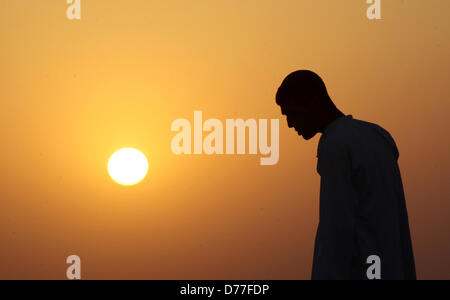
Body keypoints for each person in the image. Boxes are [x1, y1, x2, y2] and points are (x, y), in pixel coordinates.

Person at [276, 70, 416, 280]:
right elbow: (399, 218)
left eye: (292, 114)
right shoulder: (378, 136)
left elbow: (336, 230)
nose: (290, 124)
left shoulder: (335, 144)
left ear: (312, 103)